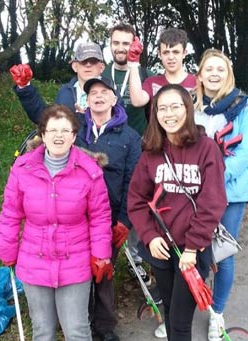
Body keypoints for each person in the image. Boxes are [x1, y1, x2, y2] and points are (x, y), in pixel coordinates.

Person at [0, 104, 113, 341]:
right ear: (43, 134)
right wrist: (6, 248)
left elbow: (100, 217)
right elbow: (10, 212)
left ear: (74, 135)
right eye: (53, 130)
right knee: (42, 331)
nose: (59, 136)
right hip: (33, 261)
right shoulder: (22, 169)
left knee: (77, 330)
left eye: (65, 130)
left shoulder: (90, 171)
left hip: (75, 262)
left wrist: (101, 254)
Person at [127, 84, 227, 341]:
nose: (168, 114)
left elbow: (212, 202)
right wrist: (149, 236)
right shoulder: (151, 152)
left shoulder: (206, 149)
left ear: (187, 109)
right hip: (161, 248)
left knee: (181, 321)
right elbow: (136, 200)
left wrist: (193, 247)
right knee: (169, 312)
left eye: (175, 107)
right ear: (154, 114)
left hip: (193, 251)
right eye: (162, 108)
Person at [194, 48, 248, 341]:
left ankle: (216, 314)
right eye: (209, 69)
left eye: (220, 69)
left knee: (223, 255)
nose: (214, 74)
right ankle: (182, 311)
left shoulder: (242, 108)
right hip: (192, 194)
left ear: (227, 74)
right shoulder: (192, 108)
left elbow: (242, 156)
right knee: (193, 253)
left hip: (230, 194)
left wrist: (210, 179)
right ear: (201, 74)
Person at [76, 76, 142, 341]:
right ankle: (79, 323)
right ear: (87, 100)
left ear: (115, 100)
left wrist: (125, 221)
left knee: (104, 272)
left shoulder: (129, 136)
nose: (99, 96)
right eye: (93, 93)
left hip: (110, 219)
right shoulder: (75, 130)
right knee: (78, 273)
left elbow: (134, 181)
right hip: (75, 218)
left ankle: (105, 326)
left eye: (104, 92)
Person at [102, 22, 153, 287]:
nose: (121, 48)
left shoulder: (144, 72)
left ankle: (136, 258)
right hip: (109, 149)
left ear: (135, 45)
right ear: (110, 44)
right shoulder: (102, 73)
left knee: (137, 203)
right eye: (116, 43)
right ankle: (105, 255)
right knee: (110, 202)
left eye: (126, 43)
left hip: (139, 147)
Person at [9, 42, 106, 123]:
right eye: (83, 61)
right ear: (75, 66)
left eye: (93, 61)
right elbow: (45, 118)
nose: (88, 65)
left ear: (101, 67)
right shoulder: (65, 92)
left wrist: (88, 119)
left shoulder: (112, 92)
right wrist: (25, 87)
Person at [127, 28, 196, 112]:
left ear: (184, 53)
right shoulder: (152, 82)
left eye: (176, 52)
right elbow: (137, 101)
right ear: (159, 54)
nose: (171, 57)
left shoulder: (197, 83)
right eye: (166, 52)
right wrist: (133, 63)